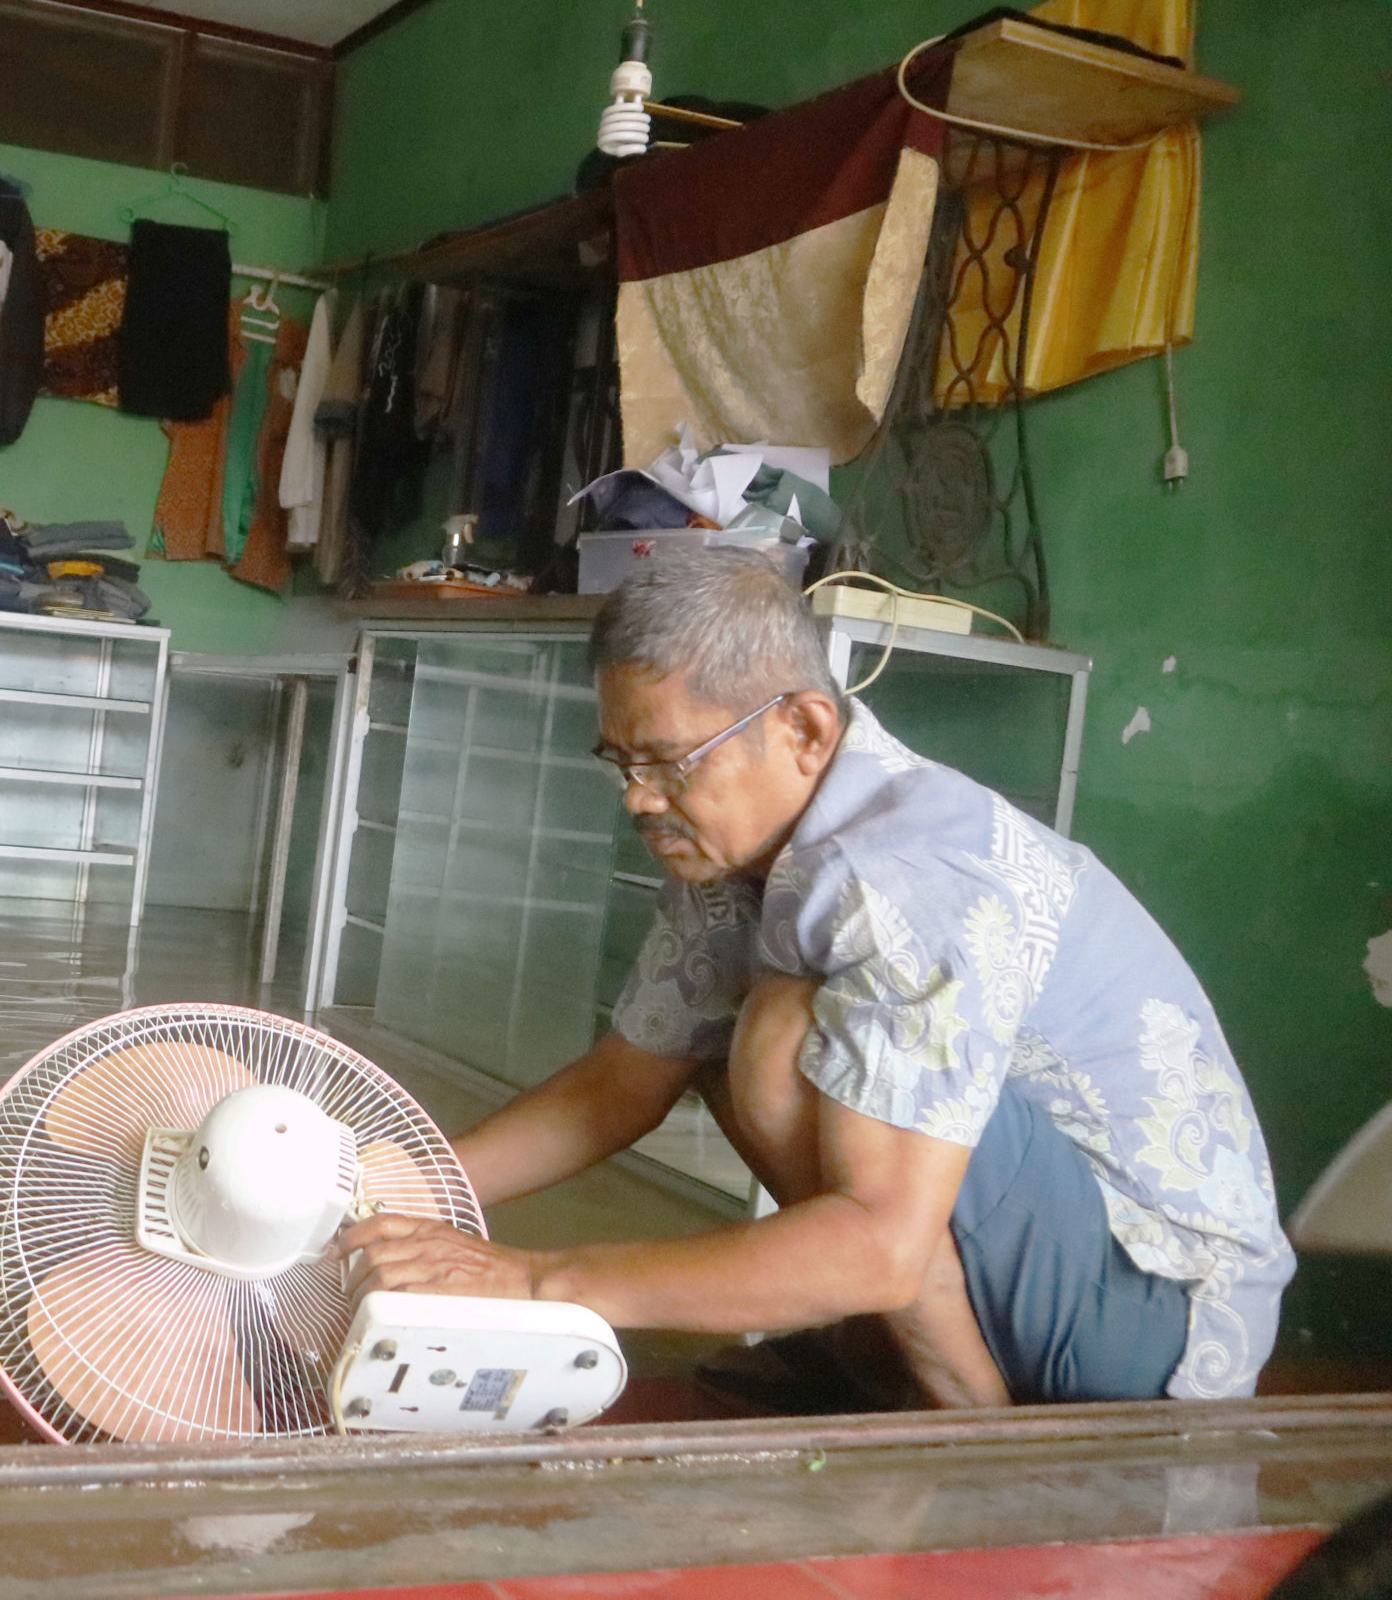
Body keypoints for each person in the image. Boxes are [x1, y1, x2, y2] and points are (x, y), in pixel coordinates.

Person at [338, 548, 1292, 1406]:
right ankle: (903, 1362)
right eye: (621, 762)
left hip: (1151, 1319)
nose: (637, 797)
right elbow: (619, 1085)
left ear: (802, 726)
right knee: (715, 1039)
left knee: (780, 1035)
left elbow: (882, 1246)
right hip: (1044, 1266)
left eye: (668, 762)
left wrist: (535, 1283)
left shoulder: (903, 881)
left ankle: (959, 1406)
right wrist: (378, 1188)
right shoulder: (737, 848)